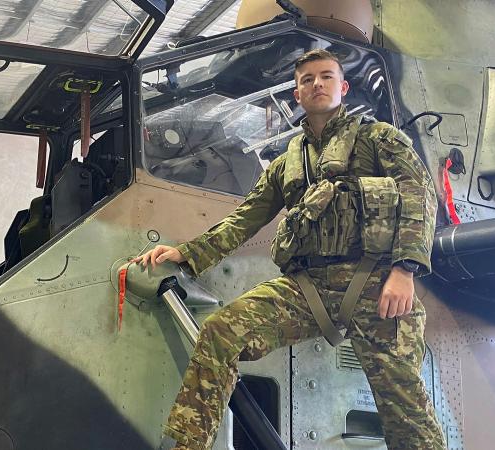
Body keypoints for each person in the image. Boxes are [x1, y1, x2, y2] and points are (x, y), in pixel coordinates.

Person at [135, 49, 446, 450]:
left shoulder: (377, 139)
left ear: (343, 87)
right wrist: (187, 254)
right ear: (296, 94)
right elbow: (244, 218)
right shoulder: (287, 163)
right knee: (221, 332)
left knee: (406, 409)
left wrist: (404, 270)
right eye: (307, 80)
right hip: (308, 288)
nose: (317, 84)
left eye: (326, 77)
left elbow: (419, 195)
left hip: (375, 282)